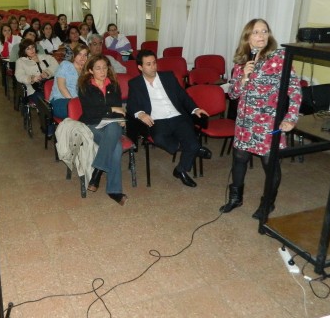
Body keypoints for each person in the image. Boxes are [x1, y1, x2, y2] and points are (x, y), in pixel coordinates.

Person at [220, 18, 302, 219]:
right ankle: (235, 198)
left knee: (270, 164)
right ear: (247, 37)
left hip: (267, 124)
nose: (261, 36)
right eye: (256, 32)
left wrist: (291, 118)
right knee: (239, 158)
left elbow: (295, 90)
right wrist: (243, 77)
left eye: (264, 31)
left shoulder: (279, 58)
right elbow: (233, 95)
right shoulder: (241, 62)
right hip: (245, 122)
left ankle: (268, 203)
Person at [126, 50, 212, 188]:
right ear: (140, 67)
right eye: (148, 64)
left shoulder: (168, 77)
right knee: (160, 139)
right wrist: (140, 113)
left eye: (154, 63)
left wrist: (195, 109)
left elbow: (183, 96)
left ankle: (180, 171)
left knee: (193, 141)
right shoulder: (135, 83)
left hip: (177, 116)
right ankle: (192, 149)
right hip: (157, 119)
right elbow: (131, 105)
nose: (153, 66)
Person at [78, 54, 128, 206]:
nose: (102, 71)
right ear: (91, 70)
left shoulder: (113, 85)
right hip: (92, 125)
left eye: (105, 67)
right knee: (117, 147)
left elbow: (119, 111)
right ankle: (114, 190)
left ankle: (97, 172)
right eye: (98, 68)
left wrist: (120, 119)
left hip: (112, 124)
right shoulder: (84, 86)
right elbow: (90, 112)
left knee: (113, 126)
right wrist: (111, 109)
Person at [50, 43, 88, 118]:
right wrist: (74, 103)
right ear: (74, 55)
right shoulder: (66, 65)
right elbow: (62, 87)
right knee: (84, 113)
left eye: (85, 55)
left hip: (79, 102)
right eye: (79, 54)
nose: (82, 57)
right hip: (60, 100)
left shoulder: (85, 72)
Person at [15, 39, 59, 104]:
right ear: (24, 51)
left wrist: (47, 72)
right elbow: (19, 76)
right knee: (44, 102)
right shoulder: (20, 62)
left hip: (50, 85)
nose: (32, 50)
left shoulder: (45, 57)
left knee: (57, 97)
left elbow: (56, 66)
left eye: (33, 47)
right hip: (34, 89)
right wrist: (32, 78)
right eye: (28, 48)